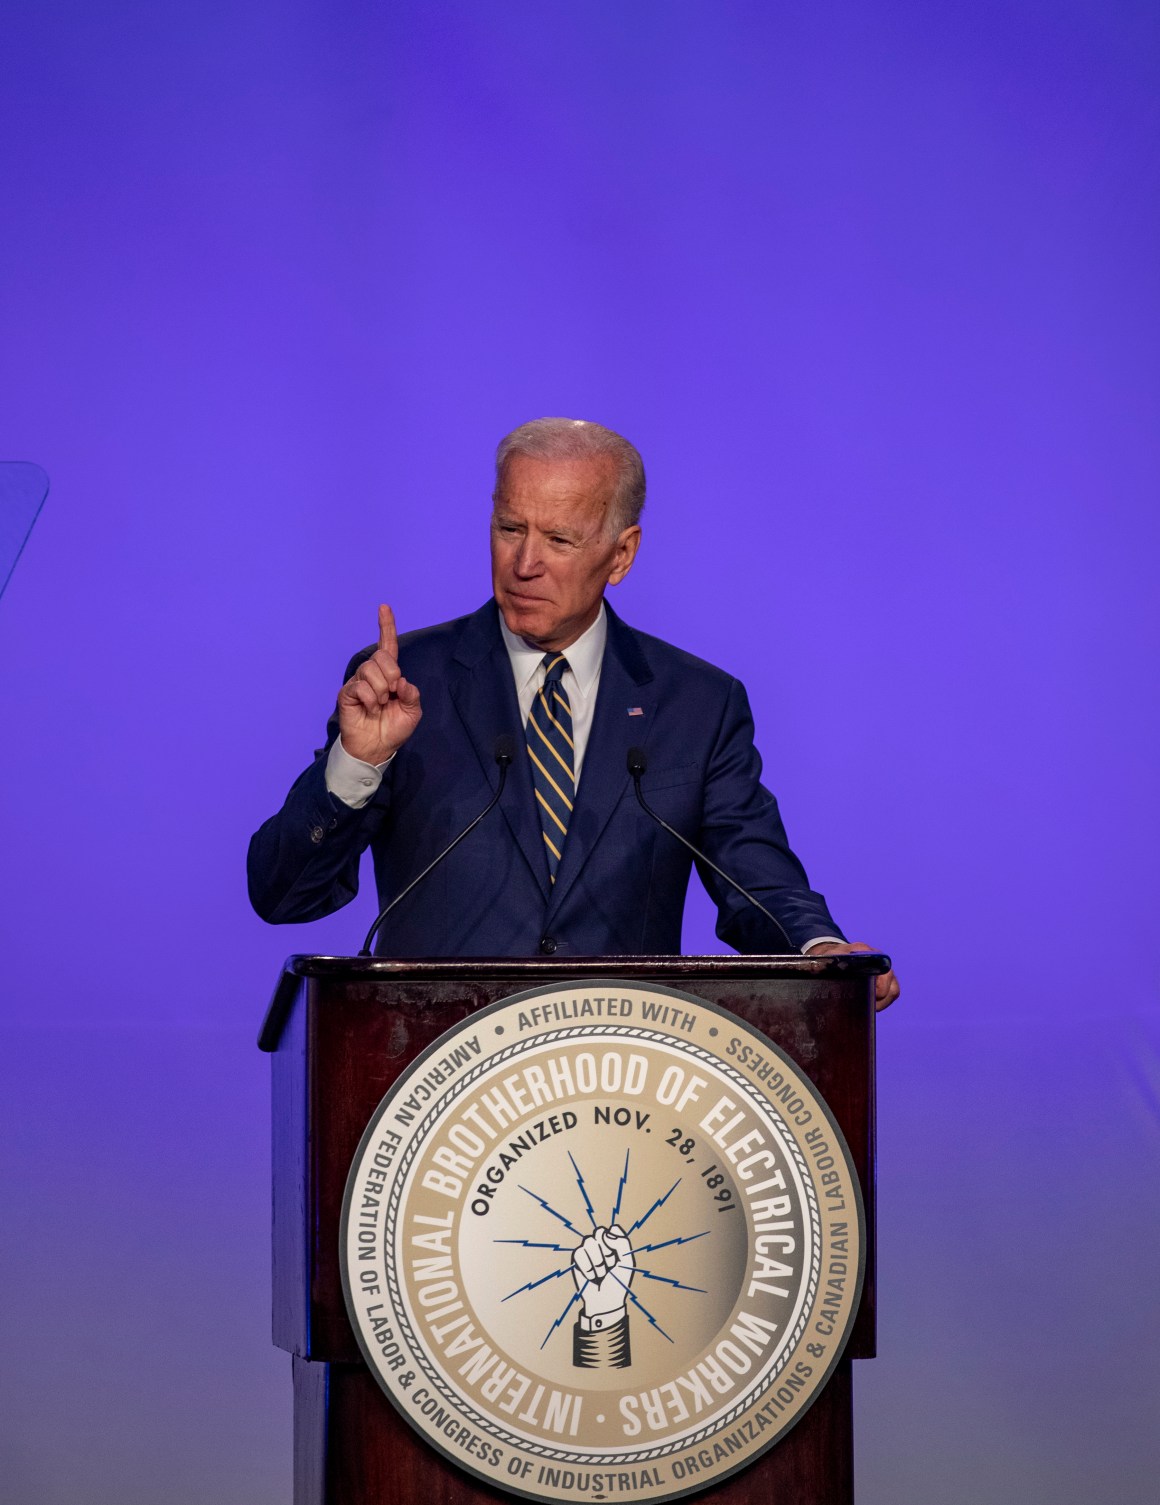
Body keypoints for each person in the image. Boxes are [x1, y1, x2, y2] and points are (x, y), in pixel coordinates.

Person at [247, 418, 900, 1009]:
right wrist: (358, 761)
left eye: (559, 538)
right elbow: (285, 896)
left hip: (620, 1087)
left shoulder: (696, 704)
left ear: (622, 554)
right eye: (509, 528)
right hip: (438, 1082)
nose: (524, 564)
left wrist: (820, 950)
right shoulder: (406, 683)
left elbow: (755, 879)